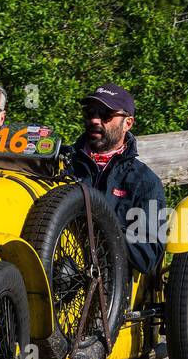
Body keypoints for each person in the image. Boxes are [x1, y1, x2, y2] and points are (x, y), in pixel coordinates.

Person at [67, 83, 167, 276]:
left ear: (127, 123)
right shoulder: (64, 165)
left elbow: (149, 256)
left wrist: (104, 228)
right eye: (90, 113)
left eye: (105, 115)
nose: (95, 120)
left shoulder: (145, 182)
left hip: (111, 284)